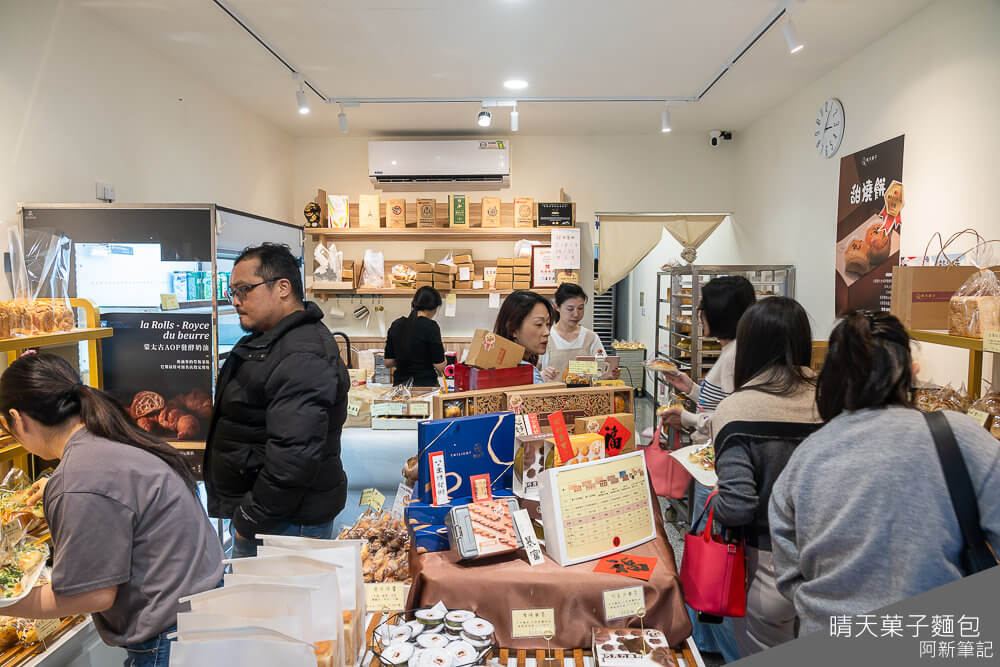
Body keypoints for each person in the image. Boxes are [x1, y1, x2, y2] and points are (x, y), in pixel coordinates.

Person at [769, 311, 1000, 636]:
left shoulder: (804, 459)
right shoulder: (958, 436)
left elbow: (790, 577)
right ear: (909, 373)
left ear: (830, 380)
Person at [0, 353, 224, 667]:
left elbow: (93, 595)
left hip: (170, 638)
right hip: (200, 617)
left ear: (17, 418)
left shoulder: (79, 476)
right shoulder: (108, 436)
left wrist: (6, 601)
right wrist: (55, 488)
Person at [206, 242, 349, 558]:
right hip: (274, 519)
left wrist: (250, 517)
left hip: (283, 524)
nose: (236, 301)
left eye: (245, 289)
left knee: (278, 607)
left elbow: (294, 457)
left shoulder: (301, 352)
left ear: (283, 287)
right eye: (232, 291)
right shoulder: (271, 342)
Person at [707, 297, 822, 656]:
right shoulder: (835, 399)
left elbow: (738, 506)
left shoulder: (737, 409)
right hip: (834, 561)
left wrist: (715, 498)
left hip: (768, 564)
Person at [656, 275, 755, 664]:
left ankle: (720, 646)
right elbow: (720, 406)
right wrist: (689, 386)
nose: (698, 315)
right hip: (709, 467)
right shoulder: (733, 352)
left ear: (717, 313)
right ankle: (708, 642)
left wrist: (690, 419)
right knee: (705, 556)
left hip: (715, 472)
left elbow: (728, 421)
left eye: (702, 308)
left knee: (712, 560)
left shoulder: (735, 357)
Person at [539, 282, 615, 381]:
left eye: (580, 308)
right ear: (557, 307)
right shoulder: (546, 336)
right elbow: (533, 373)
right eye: (570, 309)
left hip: (585, 395)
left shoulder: (590, 338)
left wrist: (611, 373)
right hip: (553, 395)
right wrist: (542, 374)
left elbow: (603, 370)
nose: (576, 314)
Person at [384, 286, 446, 387]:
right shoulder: (431, 326)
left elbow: (388, 362)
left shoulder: (396, 324)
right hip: (425, 387)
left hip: (400, 388)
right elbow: (440, 366)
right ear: (434, 307)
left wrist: (403, 357)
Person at [493, 290, 556, 384]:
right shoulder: (527, 373)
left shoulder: (495, 363)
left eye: (548, 324)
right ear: (513, 329)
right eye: (539, 324)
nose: (547, 332)